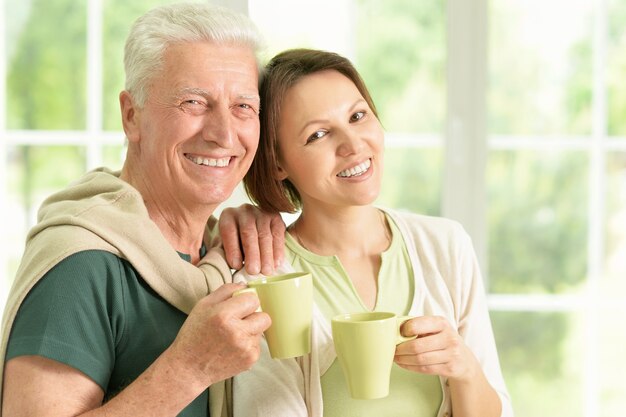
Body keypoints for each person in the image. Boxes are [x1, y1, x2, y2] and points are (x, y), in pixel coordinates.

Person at [0, 4, 286, 416]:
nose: (224, 134)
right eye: (194, 102)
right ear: (132, 116)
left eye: (243, 107)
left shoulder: (226, 256)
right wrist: (188, 370)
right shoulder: (81, 266)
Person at [232, 48, 514, 417]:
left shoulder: (445, 245)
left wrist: (462, 367)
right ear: (278, 161)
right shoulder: (264, 277)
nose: (353, 145)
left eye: (357, 116)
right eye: (318, 134)